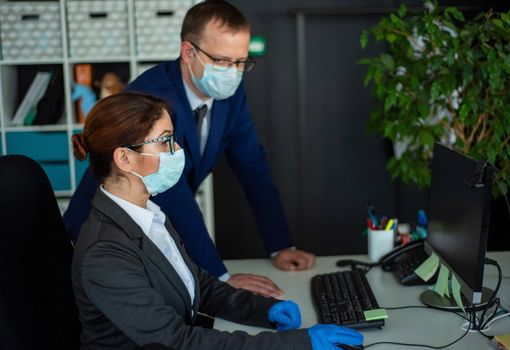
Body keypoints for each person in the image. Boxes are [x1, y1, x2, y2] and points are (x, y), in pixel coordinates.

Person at [70, 92, 364, 349]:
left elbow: (197, 284)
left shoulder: (147, 213)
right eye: (165, 141)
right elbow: (176, 341)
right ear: (124, 158)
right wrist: (299, 343)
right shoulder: (104, 252)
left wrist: (263, 310)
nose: (177, 151)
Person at [64, 0, 315, 297]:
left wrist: (280, 245)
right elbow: (175, 195)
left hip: (153, 228)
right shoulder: (151, 100)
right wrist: (219, 277)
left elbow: (252, 166)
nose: (233, 72)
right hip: (103, 234)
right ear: (188, 52)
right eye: (222, 61)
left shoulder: (230, 93)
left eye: (241, 62)